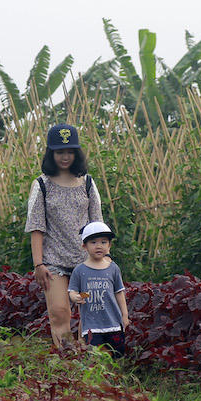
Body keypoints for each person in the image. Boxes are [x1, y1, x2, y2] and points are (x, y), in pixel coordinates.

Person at [25, 123, 103, 350]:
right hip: (53, 263)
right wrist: (38, 264)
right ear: (51, 153)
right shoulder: (42, 185)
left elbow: (97, 225)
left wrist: (102, 260)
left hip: (85, 262)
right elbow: (36, 227)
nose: (65, 157)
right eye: (60, 152)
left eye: (69, 151)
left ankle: (86, 362)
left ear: (76, 153)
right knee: (60, 313)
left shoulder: (87, 183)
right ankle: (66, 361)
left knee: (90, 315)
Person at [68, 221, 129, 357]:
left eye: (103, 242)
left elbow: (119, 292)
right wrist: (75, 297)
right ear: (84, 246)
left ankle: (116, 378)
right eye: (93, 242)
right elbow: (72, 291)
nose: (99, 246)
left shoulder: (113, 268)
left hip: (113, 323)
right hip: (91, 326)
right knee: (95, 359)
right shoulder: (80, 270)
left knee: (117, 355)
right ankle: (98, 378)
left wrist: (124, 315)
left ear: (109, 246)